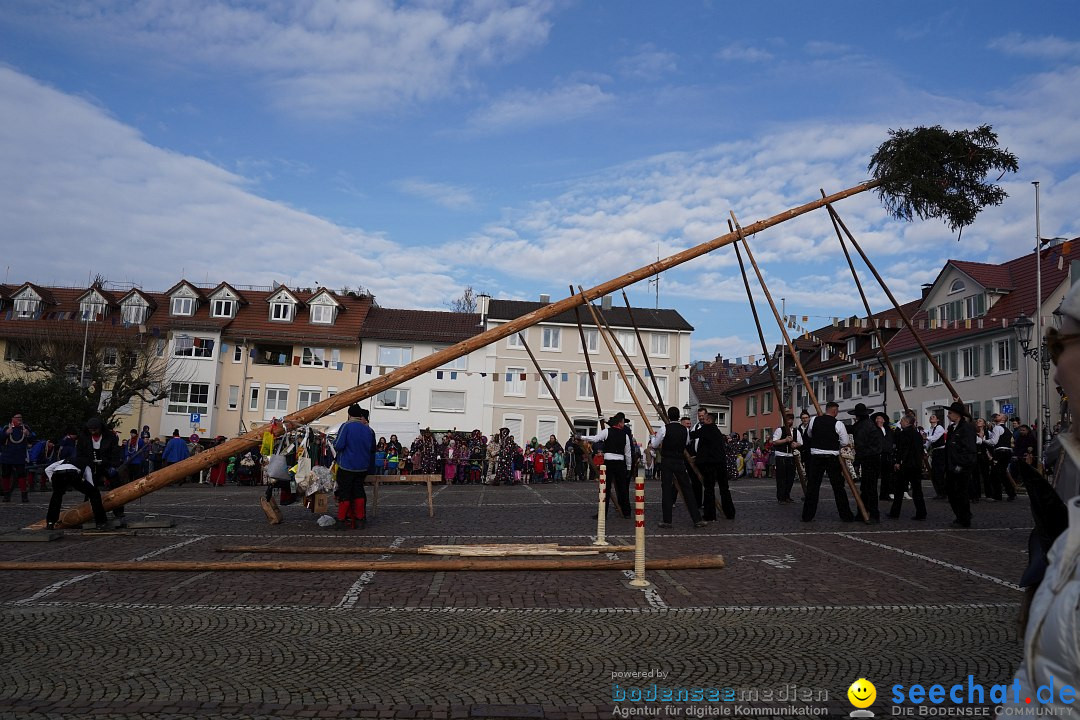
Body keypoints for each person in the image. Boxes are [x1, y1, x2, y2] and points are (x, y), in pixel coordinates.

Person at [45, 425, 110, 531]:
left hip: (58, 473)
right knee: (94, 494)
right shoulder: (86, 463)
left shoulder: (66, 459)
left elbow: (48, 469)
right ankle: (101, 522)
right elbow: (89, 480)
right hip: (72, 474)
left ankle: (50, 522)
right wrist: (90, 490)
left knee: (56, 496)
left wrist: (54, 482)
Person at [651, 406, 707, 529]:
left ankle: (667, 520)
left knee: (666, 490)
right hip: (679, 461)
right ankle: (697, 519)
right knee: (687, 489)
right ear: (678, 416)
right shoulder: (685, 430)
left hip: (667, 461)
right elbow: (687, 442)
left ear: (668, 416)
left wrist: (653, 437)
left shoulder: (664, 428)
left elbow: (654, 445)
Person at [801, 401, 856, 523]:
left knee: (813, 487)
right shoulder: (838, 424)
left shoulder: (814, 420)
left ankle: (807, 515)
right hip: (832, 457)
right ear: (835, 411)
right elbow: (844, 442)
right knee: (838, 487)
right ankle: (846, 515)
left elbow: (809, 435)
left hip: (816, 457)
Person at [76, 417, 126, 528]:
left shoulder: (111, 437)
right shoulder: (84, 438)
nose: (93, 432)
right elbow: (80, 453)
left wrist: (113, 466)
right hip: (90, 465)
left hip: (106, 464)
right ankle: (87, 511)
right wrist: (83, 466)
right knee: (89, 488)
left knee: (116, 485)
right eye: (91, 430)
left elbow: (115, 452)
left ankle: (118, 511)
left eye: (95, 430)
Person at [332, 404, 376, 530]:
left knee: (344, 492)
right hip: (362, 467)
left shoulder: (346, 426)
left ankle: (341, 520)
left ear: (349, 414)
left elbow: (339, 445)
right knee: (359, 491)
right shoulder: (367, 429)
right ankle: (360, 519)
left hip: (347, 465)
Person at [581, 414, 632, 519]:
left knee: (605, 489)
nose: (624, 424)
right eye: (623, 422)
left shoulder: (607, 432)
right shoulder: (625, 435)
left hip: (609, 463)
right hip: (620, 463)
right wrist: (628, 467)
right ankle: (627, 512)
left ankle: (603, 513)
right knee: (622, 488)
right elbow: (628, 453)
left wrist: (581, 437)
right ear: (619, 423)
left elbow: (595, 439)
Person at [689, 411, 734, 520]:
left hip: (710, 464)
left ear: (709, 420)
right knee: (724, 488)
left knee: (709, 489)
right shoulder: (717, 431)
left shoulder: (706, 429)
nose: (702, 420)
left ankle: (710, 515)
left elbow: (692, 435)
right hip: (721, 462)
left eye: (704, 418)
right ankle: (730, 512)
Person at [943, 401, 976, 528]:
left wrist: (961, 464)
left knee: (961, 493)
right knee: (951, 492)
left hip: (962, 466)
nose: (948, 415)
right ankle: (960, 515)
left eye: (950, 413)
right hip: (952, 465)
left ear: (958, 414)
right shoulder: (952, 428)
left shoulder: (966, 428)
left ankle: (964, 518)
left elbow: (969, 449)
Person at [889, 414, 927, 520]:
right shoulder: (917, 434)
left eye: (902, 421)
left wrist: (899, 462)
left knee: (899, 490)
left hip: (906, 465)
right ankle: (921, 512)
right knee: (917, 490)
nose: (900, 422)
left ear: (907, 422)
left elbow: (903, 450)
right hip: (915, 465)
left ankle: (895, 512)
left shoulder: (904, 434)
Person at [849, 403, 882, 523]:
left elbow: (860, 446)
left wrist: (857, 462)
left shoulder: (864, 426)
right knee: (867, 487)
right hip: (871, 458)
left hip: (870, 458)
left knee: (870, 488)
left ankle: (873, 514)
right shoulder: (865, 424)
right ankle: (863, 512)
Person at [2, 412, 34, 502]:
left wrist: (28, 434)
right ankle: (6, 495)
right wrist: (6, 434)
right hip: (7, 455)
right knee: (5, 475)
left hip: (20, 455)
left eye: (21, 417)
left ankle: (24, 496)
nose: (19, 419)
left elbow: (33, 439)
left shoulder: (26, 427)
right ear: (12, 419)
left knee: (22, 475)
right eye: (17, 417)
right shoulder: (6, 427)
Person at [771, 412, 801, 504]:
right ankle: (781, 497)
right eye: (787, 420)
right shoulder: (779, 430)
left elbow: (800, 442)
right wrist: (785, 440)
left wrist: (796, 444)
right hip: (781, 456)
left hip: (791, 456)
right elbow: (775, 442)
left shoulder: (796, 431)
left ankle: (787, 495)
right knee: (781, 478)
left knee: (790, 478)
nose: (789, 421)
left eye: (791, 419)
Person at [925, 413, 947, 499]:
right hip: (935, 452)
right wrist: (925, 447)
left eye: (933, 417)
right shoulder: (930, 429)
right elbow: (929, 442)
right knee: (935, 472)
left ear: (937, 420)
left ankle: (943, 492)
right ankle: (939, 492)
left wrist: (925, 438)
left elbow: (934, 438)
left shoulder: (939, 428)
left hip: (941, 451)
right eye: (930, 417)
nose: (931, 418)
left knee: (940, 472)